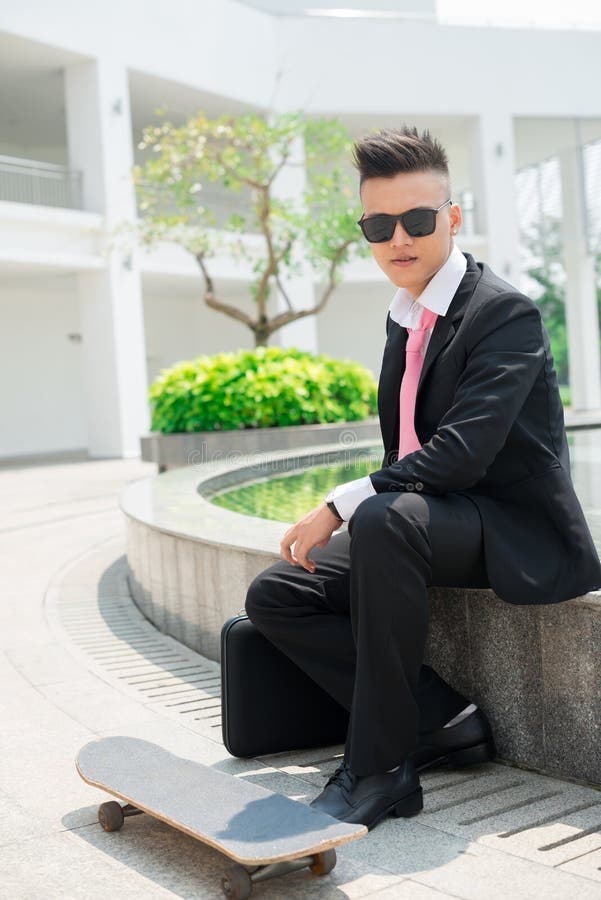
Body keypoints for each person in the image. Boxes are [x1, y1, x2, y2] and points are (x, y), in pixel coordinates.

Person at [245, 126, 601, 831]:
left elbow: (460, 455)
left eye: (417, 219)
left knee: (376, 516)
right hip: (424, 522)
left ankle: (379, 770)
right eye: (379, 225)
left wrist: (338, 502)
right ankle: (441, 720)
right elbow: (412, 456)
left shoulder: (502, 312)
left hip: (502, 529)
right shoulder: (404, 317)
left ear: (453, 219)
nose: (398, 238)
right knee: (278, 593)